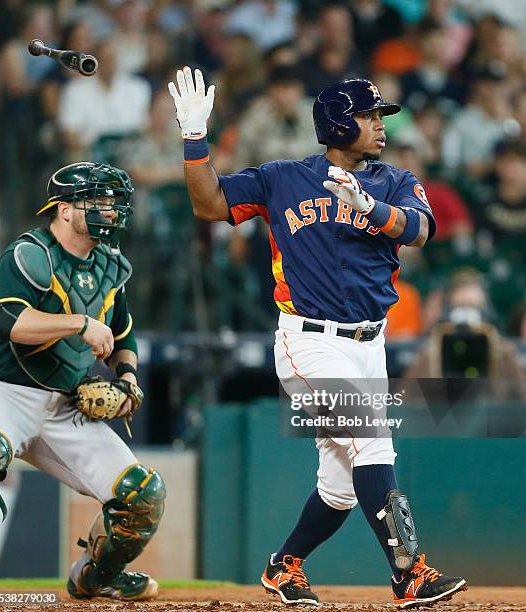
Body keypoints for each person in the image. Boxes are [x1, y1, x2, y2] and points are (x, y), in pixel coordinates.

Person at [168, 66, 467, 608]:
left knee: (341, 487)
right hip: (308, 339)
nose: (380, 125)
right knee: (373, 442)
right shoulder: (282, 177)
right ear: (337, 122)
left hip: (370, 342)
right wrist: (195, 140)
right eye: (369, 115)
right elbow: (209, 205)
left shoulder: (394, 181)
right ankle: (410, 574)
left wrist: (371, 210)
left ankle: (285, 566)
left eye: (380, 115)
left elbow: (422, 230)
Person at [0, 162, 165, 600]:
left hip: (65, 404)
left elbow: (123, 335)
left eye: (112, 202)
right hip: (5, 392)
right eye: (98, 202)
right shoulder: (29, 253)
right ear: (64, 210)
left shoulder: (110, 266)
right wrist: (79, 324)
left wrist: (126, 377)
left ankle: (96, 576)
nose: (110, 210)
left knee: (141, 495)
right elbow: (8, 319)